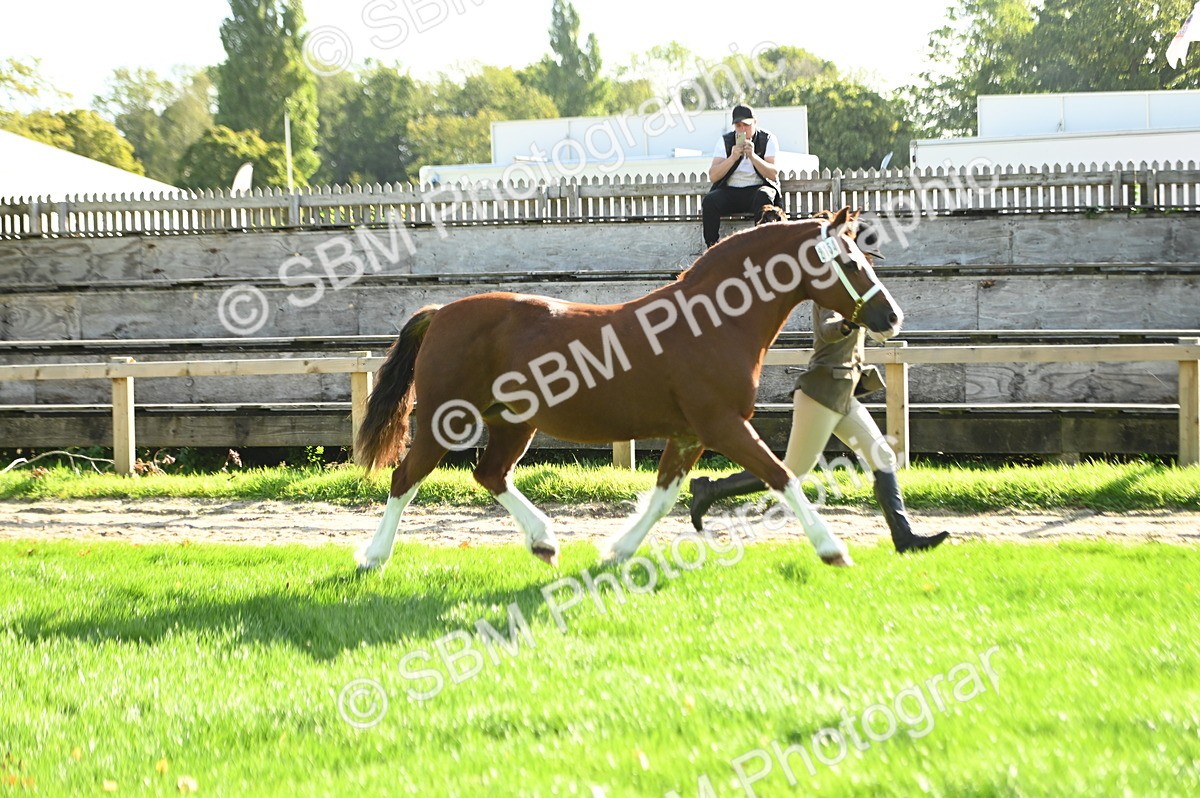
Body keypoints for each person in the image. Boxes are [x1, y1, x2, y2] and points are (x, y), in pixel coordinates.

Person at [688, 217, 950, 554]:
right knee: (792, 471)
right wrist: (850, 321)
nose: (868, 263)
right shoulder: (834, 291)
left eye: (869, 259)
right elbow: (826, 330)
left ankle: (904, 538)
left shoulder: (861, 291)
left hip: (846, 393)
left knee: (882, 456)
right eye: (864, 256)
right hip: (823, 392)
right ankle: (709, 491)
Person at [702, 104, 784, 249]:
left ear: (755, 123)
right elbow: (713, 176)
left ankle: (762, 246)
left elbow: (773, 174)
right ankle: (712, 247)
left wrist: (753, 157)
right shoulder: (725, 141)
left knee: (764, 196)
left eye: (746, 125)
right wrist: (732, 158)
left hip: (757, 189)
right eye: (739, 126)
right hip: (731, 191)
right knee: (709, 201)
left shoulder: (767, 139)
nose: (743, 130)